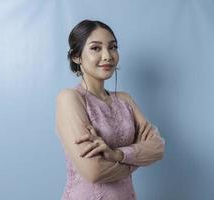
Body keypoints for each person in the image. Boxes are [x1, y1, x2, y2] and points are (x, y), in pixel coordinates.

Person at [55, 19, 165, 200]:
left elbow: (158, 147)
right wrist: (137, 158)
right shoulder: (70, 98)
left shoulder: (124, 99)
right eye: (96, 48)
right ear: (76, 56)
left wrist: (117, 154)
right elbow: (94, 171)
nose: (107, 55)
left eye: (112, 47)